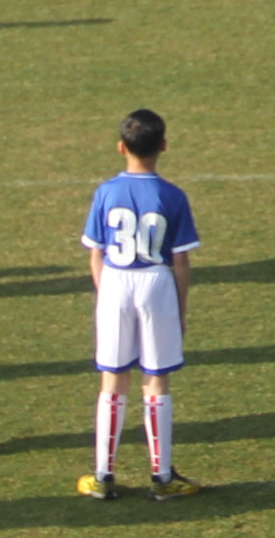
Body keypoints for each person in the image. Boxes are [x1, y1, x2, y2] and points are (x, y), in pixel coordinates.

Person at [80, 108, 201, 502]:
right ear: (163, 146)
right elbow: (181, 260)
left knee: (113, 379)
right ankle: (162, 476)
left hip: (115, 281)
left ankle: (103, 475)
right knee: (156, 378)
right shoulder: (172, 195)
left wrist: (106, 295)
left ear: (120, 147)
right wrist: (179, 311)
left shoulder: (106, 191)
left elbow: (95, 253)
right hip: (156, 283)